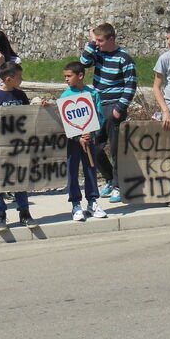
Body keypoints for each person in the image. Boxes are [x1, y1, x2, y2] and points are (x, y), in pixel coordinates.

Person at [80, 23, 137, 203]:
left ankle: (119, 186)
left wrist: (119, 109)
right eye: (96, 41)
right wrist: (91, 43)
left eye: (100, 40)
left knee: (116, 149)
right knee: (94, 146)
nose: (98, 44)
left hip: (114, 107)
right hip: (97, 105)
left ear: (111, 39)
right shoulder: (98, 55)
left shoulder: (124, 58)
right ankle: (109, 179)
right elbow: (84, 62)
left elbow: (130, 85)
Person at [0, 61, 41, 231]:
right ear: (8, 79)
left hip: (19, 147)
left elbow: (28, 118)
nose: (21, 80)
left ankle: (24, 212)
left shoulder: (21, 96)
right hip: (0, 148)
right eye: (19, 77)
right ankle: (0, 214)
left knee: (20, 180)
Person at [61, 61, 108, 222]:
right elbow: (65, 120)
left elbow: (99, 116)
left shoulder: (92, 94)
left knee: (90, 169)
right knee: (73, 171)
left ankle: (92, 201)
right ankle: (75, 203)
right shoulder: (66, 96)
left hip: (89, 140)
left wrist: (91, 133)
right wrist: (77, 137)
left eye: (69, 76)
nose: (66, 79)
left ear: (80, 75)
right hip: (73, 142)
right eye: (65, 76)